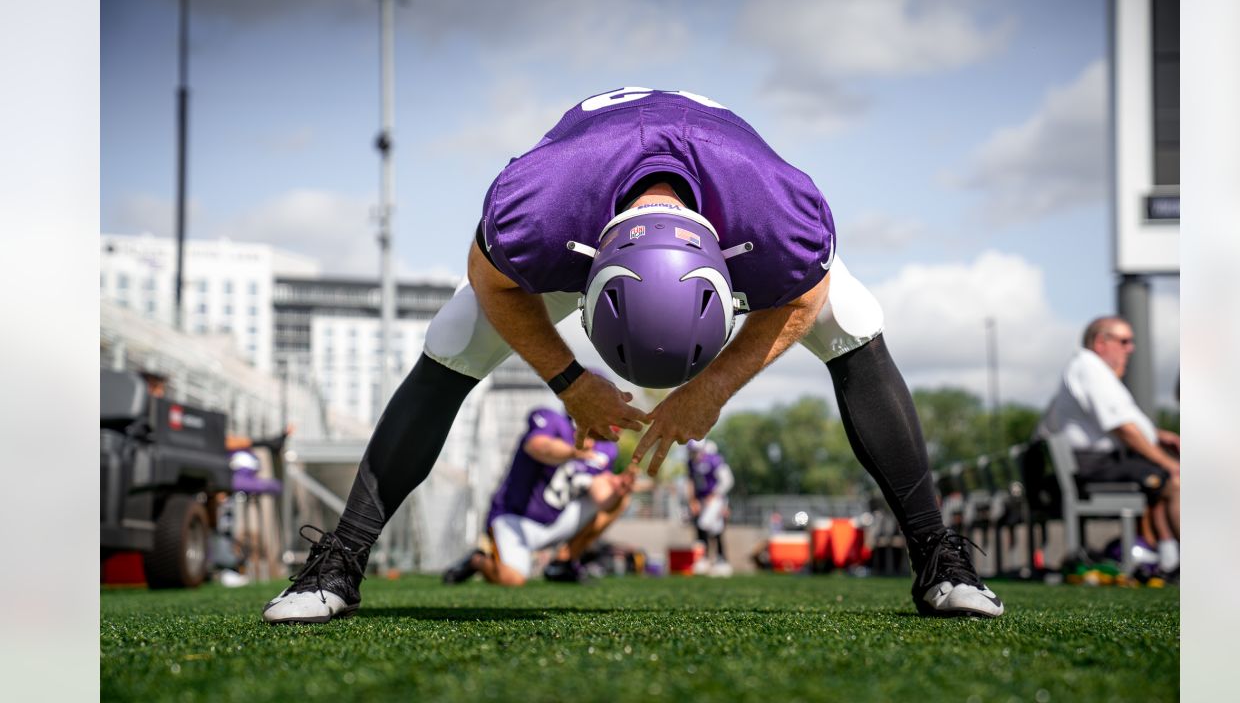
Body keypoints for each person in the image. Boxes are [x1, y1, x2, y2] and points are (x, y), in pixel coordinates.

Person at [262, 87, 1003, 623]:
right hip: (586, 205)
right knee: (450, 345)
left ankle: (940, 557)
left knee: (857, 322)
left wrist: (712, 388)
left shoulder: (777, 215)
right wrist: (568, 378)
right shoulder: (542, 209)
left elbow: (803, 299)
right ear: (587, 276)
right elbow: (488, 276)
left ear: (732, 263)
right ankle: (339, 562)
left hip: (729, 200)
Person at [1036, 316, 1181, 576]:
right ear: (1101, 342)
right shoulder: (1090, 368)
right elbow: (1123, 428)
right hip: (1094, 464)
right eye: (1124, 341)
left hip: (1094, 461)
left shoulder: (1089, 369)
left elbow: (1113, 424)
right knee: (1175, 478)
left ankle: (1169, 558)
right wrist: (1168, 462)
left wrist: (1156, 436)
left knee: (1163, 479)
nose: (1131, 348)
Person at [440, 406, 636, 586]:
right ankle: (478, 560)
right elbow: (537, 446)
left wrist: (619, 492)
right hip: (515, 520)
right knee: (512, 579)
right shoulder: (551, 419)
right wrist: (572, 451)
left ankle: (564, 561)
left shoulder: (607, 449)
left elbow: (602, 500)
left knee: (621, 500)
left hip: (556, 521)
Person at [686, 440, 734, 577]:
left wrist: (716, 495)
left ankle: (711, 559)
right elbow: (691, 482)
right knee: (714, 528)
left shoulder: (714, 460)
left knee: (705, 524)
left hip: (716, 499)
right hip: (703, 500)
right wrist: (693, 500)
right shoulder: (691, 463)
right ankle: (719, 560)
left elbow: (728, 480)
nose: (693, 454)